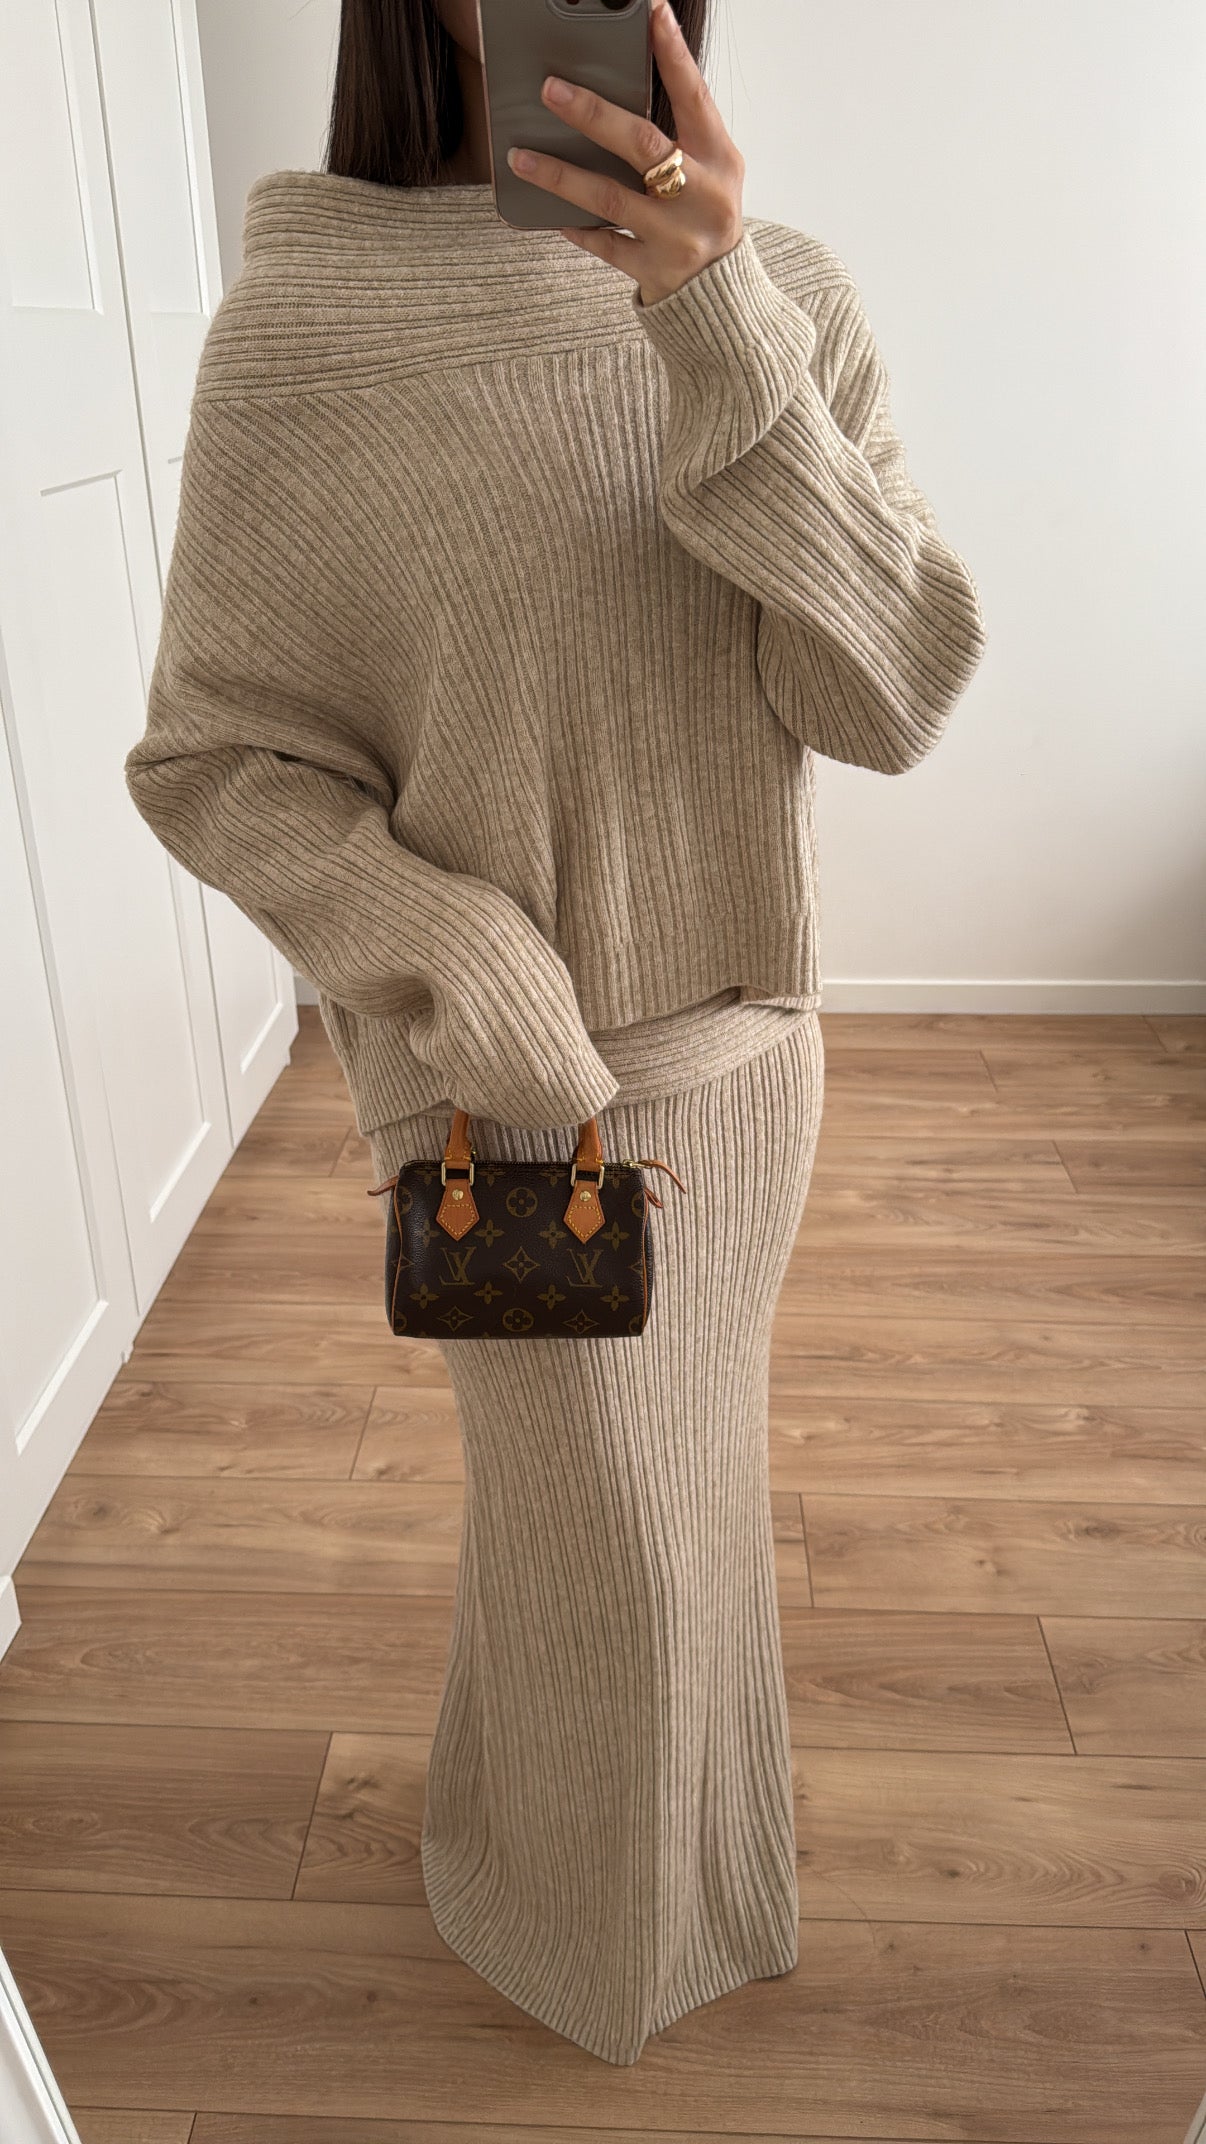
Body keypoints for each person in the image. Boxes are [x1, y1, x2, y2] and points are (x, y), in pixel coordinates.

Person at [124, 0, 987, 2067]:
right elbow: (219, 757)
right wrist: (468, 971)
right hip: (499, 1108)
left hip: (739, 1080)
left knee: (670, 1507)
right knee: (586, 1521)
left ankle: (649, 1855)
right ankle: (586, 1915)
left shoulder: (780, 304)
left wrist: (710, 327)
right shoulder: (299, 338)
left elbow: (891, 692)